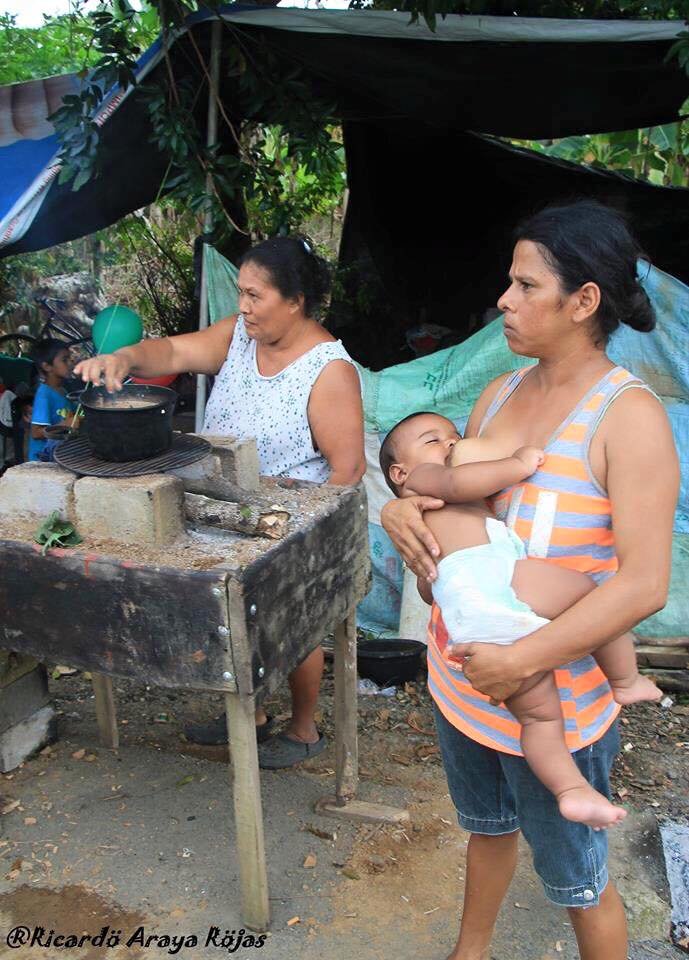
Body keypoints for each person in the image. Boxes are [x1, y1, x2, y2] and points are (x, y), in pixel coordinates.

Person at [381, 200, 679, 960]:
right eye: (506, 284)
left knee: (580, 885)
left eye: (523, 287)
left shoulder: (628, 419)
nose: (503, 302)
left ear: (583, 302)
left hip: (558, 707)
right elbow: (450, 521)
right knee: (485, 831)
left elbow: (643, 586)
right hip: (466, 683)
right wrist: (404, 519)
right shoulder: (498, 396)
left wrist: (524, 658)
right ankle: (468, 952)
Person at [75, 236, 365, 769]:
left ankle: (304, 730)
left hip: (286, 525)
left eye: (256, 296)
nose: (244, 307)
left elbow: (346, 470)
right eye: (241, 293)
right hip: (220, 510)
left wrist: (307, 543)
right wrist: (123, 356)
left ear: (296, 300)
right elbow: (174, 352)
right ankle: (250, 717)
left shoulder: (329, 370)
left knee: (294, 628)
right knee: (231, 623)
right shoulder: (238, 338)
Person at [379, 410, 661, 829]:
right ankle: (624, 680)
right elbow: (459, 482)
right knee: (590, 597)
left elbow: (428, 586)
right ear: (401, 472)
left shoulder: (441, 509)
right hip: (495, 580)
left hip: (472, 621)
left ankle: (571, 790)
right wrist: (519, 464)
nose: (452, 443)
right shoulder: (425, 483)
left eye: (455, 435)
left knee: (540, 717)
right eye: (433, 440)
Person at [29, 340, 78, 462]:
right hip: (42, 460)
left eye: (70, 359)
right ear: (47, 366)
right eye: (64, 360)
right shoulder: (44, 395)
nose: (70, 363)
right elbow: (36, 433)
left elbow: (72, 415)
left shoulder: (62, 390)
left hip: (57, 454)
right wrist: (65, 425)